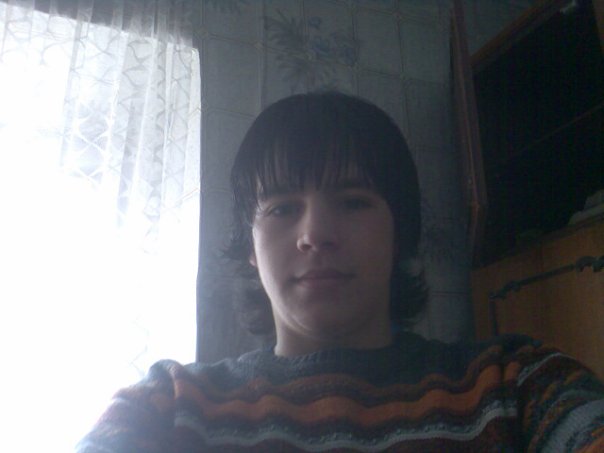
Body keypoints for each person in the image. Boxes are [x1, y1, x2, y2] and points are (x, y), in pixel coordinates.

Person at [77, 92, 604, 452]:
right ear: (250, 249)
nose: (315, 234)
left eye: (354, 202)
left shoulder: (515, 385)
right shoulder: (168, 407)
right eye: (282, 208)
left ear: (400, 233)